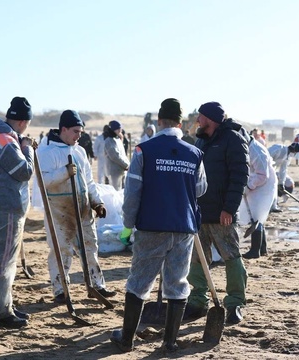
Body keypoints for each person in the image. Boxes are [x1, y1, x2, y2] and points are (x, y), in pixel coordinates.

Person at [110, 98, 207, 353]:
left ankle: (127, 339)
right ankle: (170, 341)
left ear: (159, 120)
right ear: (180, 122)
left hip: (152, 226)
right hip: (184, 227)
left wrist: (128, 225)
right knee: (177, 282)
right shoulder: (194, 153)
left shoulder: (144, 150)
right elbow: (200, 189)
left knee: (139, 282)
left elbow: (132, 193)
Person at [37, 110, 116, 303]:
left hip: (82, 208)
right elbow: (42, 181)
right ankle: (60, 290)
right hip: (59, 210)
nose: (78, 136)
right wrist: (64, 173)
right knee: (62, 250)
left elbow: (88, 181)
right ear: (63, 129)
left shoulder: (79, 151)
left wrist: (97, 202)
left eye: (80, 132)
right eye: (75, 131)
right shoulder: (46, 152)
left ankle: (97, 285)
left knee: (90, 247)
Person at [184, 101, 249, 325]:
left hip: (223, 213)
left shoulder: (233, 139)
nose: (197, 121)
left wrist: (229, 208)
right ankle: (197, 301)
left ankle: (235, 304)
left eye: (200, 117)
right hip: (200, 211)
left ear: (210, 119)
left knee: (231, 256)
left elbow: (240, 176)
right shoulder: (201, 140)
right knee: (198, 258)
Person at [0, 96, 35, 328]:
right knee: (3, 261)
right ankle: (2, 312)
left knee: (2, 259)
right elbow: (24, 171)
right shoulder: (6, 141)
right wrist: (28, 149)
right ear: (23, 122)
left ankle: (6, 305)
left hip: (2, 207)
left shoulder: (1, 138)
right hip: (6, 209)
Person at [238, 128, 277, 259]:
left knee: (256, 215)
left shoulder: (256, 150)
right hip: (257, 183)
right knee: (258, 216)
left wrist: (248, 186)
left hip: (264, 185)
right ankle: (262, 248)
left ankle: (255, 250)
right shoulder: (249, 147)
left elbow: (262, 175)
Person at [268, 142, 299, 209]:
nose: (294, 154)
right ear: (293, 150)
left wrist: (281, 183)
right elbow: (266, 156)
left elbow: (283, 170)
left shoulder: (287, 157)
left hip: (271, 171)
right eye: (295, 153)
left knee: (274, 186)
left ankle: (273, 206)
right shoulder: (279, 148)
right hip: (264, 169)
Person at [104, 120, 130, 190]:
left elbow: (123, 154)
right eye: (118, 129)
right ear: (113, 129)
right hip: (114, 172)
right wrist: (125, 165)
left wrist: (127, 164)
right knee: (115, 191)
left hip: (121, 170)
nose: (120, 130)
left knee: (122, 191)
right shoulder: (109, 141)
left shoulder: (117, 139)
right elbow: (115, 156)